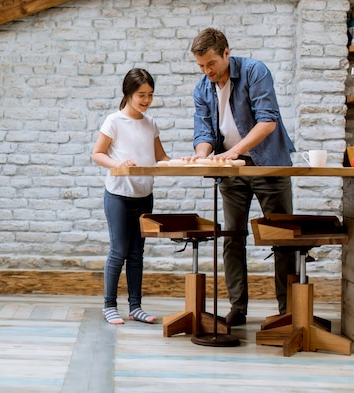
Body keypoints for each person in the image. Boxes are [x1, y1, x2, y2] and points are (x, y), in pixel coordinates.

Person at [189, 28, 297, 326]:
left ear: (226, 53)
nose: (207, 71)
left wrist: (232, 152)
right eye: (200, 66)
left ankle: (287, 310)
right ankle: (238, 307)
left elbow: (268, 121)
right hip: (232, 172)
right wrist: (202, 154)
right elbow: (204, 133)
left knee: (281, 238)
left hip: (268, 166)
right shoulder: (203, 87)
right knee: (232, 238)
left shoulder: (254, 71)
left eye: (211, 63)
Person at [92, 68, 170, 325]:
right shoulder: (113, 121)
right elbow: (97, 154)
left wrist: (186, 161)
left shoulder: (151, 124)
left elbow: (161, 158)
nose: (146, 100)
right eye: (141, 95)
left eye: (150, 95)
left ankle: (135, 307)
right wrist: (118, 163)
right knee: (119, 251)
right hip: (118, 196)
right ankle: (109, 305)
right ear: (128, 94)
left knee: (137, 253)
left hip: (144, 195)